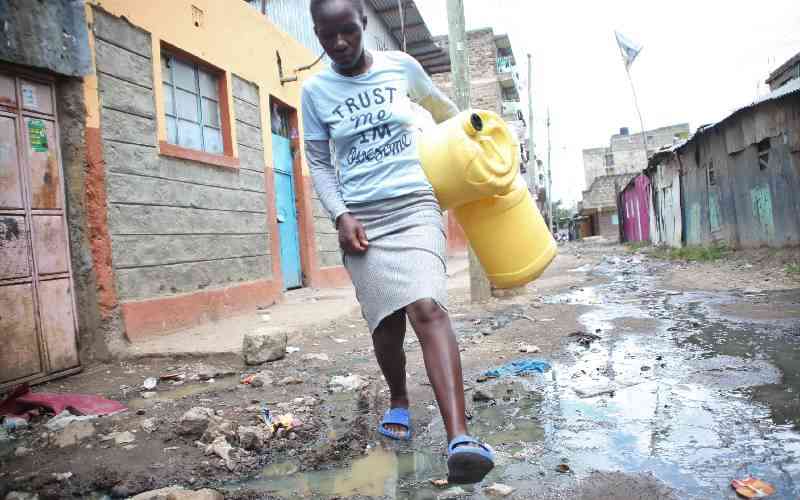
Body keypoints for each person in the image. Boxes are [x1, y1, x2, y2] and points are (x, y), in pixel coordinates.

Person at [301, 0, 495, 484]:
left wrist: (474, 142)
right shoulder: (315, 92)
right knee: (387, 324)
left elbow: (445, 111)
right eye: (327, 36)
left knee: (427, 307)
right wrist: (341, 215)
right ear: (317, 33)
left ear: (364, 23)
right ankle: (399, 398)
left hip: (414, 205)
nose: (339, 43)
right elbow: (320, 163)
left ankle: (459, 438)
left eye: (348, 31)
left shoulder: (401, 67)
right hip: (362, 219)